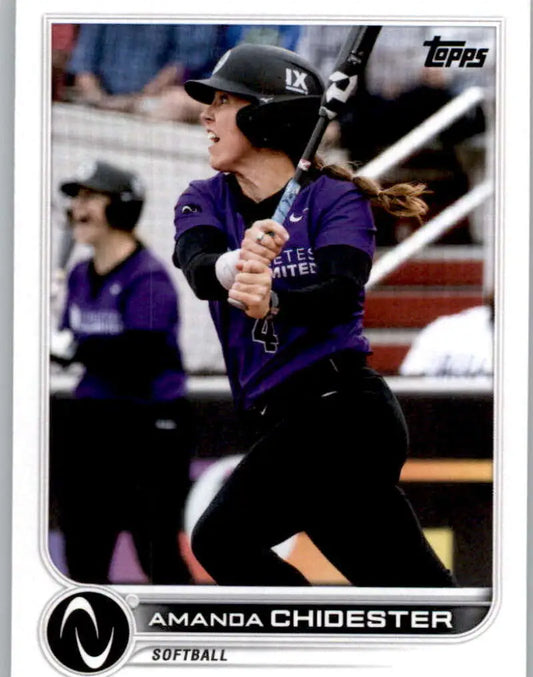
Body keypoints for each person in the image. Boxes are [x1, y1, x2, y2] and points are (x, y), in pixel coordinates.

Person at [173, 43, 455, 588]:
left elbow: (340, 293)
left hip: (344, 415)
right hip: (280, 423)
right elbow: (200, 267)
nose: (206, 114)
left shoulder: (334, 198)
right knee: (411, 595)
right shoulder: (202, 198)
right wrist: (241, 264)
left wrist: (274, 298)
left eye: (225, 101)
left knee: (221, 539)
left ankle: (309, 646)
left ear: (265, 116)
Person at [51, 160, 193, 584]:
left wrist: (75, 347)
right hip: (92, 423)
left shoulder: (149, 279)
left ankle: (187, 640)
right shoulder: (79, 274)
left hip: (148, 429)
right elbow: (71, 344)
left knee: (157, 553)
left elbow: (140, 356)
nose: (78, 209)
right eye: (77, 198)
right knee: (83, 555)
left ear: (121, 208)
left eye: (91, 198)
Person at [67, 23, 218, 120]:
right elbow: (83, 67)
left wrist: (133, 101)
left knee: (171, 107)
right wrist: (99, 100)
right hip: (100, 102)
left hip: (154, 102)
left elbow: (182, 64)